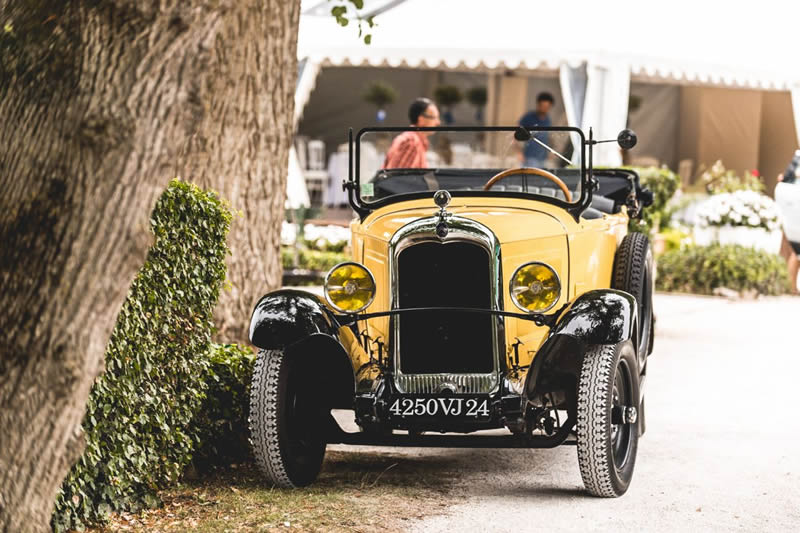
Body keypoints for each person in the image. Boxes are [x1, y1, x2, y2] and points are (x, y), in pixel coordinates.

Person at [382, 97, 441, 169]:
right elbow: (398, 178)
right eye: (434, 118)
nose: (438, 122)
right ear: (421, 119)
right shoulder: (412, 142)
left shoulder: (413, 139)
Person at [518, 92, 555, 168]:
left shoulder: (548, 120)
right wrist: (519, 152)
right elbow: (516, 135)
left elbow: (549, 137)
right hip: (528, 157)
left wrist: (551, 151)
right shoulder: (528, 118)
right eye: (543, 106)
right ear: (538, 105)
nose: (544, 109)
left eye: (547, 107)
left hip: (543, 159)